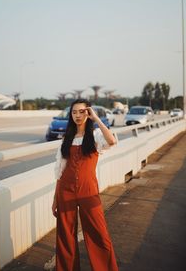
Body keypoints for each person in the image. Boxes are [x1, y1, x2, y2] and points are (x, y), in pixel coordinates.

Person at [52, 99, 119, 271]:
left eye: (82, 111)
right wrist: (55, 199)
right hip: (65, 191)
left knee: (98, 233)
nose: (78, 115)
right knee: (65, 235)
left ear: (88, 113)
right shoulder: (66, 139)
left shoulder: (95, 136)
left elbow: (112, 141)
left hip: (88, 191)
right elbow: (60, 171)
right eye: (74, 112)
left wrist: (96, 119)